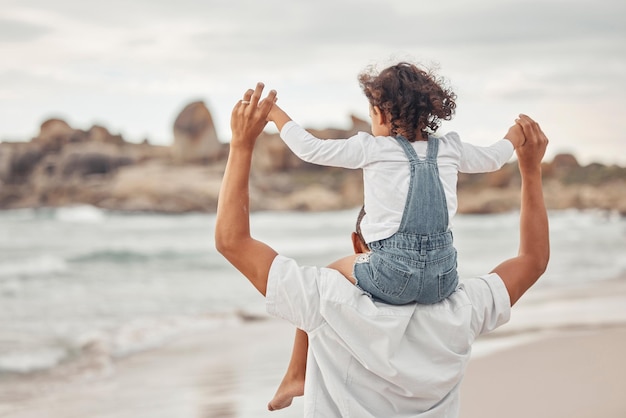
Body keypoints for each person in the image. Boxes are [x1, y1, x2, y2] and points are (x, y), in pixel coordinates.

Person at [215, 82, 549, 417]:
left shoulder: (327, 302)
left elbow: (232, 241)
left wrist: (242, 144)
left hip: (365, 288)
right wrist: (529, 168)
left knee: (331, 271)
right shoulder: (463, 311)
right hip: (442, 285)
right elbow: (532, 260)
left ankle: (294, 374)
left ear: (359, 245)